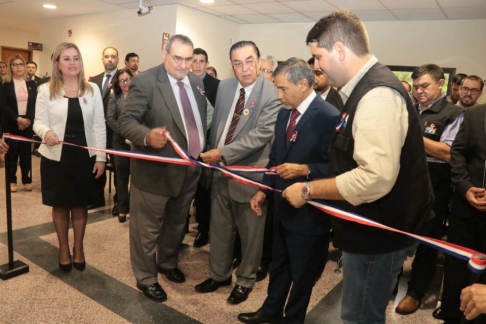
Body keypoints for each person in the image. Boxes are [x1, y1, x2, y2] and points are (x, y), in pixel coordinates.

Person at [282, 10, 434, 324]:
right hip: (368, 231)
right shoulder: (361, 91)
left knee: (360, 317)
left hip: (377, 237)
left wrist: (309, 190)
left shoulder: (377, 95)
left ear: (339, 49)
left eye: (319, 56)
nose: (316, 66)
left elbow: (373, 179)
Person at [238, 58, 339, 324]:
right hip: (281, 208)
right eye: (277, 88)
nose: (279, 95)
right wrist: (264, 190)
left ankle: (293, 318)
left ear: (304, 84)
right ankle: (270, 311)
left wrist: (305, 169)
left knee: (303, 273)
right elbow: (275, 159)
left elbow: (337, 169)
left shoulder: (329, 116)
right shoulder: (285, 111)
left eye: (283, 89)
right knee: (278, 265)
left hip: (310, 211)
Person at [118, 34, 206, 303]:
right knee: (147, 230)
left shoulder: (195, 81)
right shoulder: (145, 81)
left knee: (176, 224)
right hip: (155, 172)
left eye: (188, 59)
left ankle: (167, 262)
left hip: (189, 170)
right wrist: (146, 136)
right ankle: (145, 277)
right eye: (177, 57)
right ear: (163, 54)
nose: (182, 64)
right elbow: (125, 122)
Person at [196, 40, 280, 305]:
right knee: (220, 229)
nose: (244, 69)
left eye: (249, 61)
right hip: (219, 172)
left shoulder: (271, 92)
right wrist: (213, 154)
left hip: (250, 176)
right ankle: (219, 275)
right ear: (231, 65)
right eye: (237, 63)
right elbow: (219, 125)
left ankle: (245, 281)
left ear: (258, 60)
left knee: (250, 235)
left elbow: (261, 136)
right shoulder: (225, 86)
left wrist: (222, 153)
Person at [395, 64, 464, 316]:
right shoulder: (409, 109)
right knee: (397, 238)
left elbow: (448, 153)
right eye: (416, 86)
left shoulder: (452, 113)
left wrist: (410, 134)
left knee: (426, 243)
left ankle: (415, 292)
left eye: (425, 85)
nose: (419, 90)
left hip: (433, 190)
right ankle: (392, 282)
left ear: (440, 84)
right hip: (401, 187)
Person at [33, 42, 106, 273]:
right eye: (66, 59)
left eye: (76, 58)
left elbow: (99, 125)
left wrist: (101, 158)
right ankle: (63, 249)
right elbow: (39, 123)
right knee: (61, 204)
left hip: (84, 155)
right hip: (56, 156)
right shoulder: (46, 90)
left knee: (80, 203)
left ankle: (78, 248)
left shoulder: (92, 89)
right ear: (57, 63)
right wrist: (47, 133)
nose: (72, 63)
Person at [441, 103, 486, 323]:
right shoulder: (474, 114)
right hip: (465, 209)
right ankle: (451, 315)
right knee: (456, 267)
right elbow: (457, 153)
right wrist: (465, 187)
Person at [190, 47, 220, 248]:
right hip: (186, 145)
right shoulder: (185, 82)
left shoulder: (217, 86)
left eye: (202, 61)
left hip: (207, 144)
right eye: (195, 61)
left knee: (203, 189)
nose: (198, 64)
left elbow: (218, 116)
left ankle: (203, 228)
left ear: (206, 63)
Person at [0, 54, 37, 192]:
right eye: (15, 64)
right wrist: (18, 119)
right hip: (11, 122)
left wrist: (27, 120)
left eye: (21, 64)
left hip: (27, 123)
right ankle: (12, 180)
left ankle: (26, 179)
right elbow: (3, 105)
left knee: (26, 153)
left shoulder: (31, 83)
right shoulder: (5, 83)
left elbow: (34, 104)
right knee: (12, 153)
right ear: (11, 67)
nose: (18, 67)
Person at [89, 46, 119, 212]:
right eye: (107, 56)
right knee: (97, 162)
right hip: (97, 130)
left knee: (117, 168)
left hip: (115, 131)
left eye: (113, 57)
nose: (110, 59)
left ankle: (118, 201)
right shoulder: (95, 79)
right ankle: (97, 198)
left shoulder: (123, 78)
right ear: (102, 59)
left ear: (117, 59)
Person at [106, 68, 133, 223]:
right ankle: (123, 208)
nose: (125, 83)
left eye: (128, 79)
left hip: (136, 141)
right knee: (121, 176)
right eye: (122, 80)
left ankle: (135, 207)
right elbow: (110, 118)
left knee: (136, 176)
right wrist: (124, 132)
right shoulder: (114, 97)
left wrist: (134, 133)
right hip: (120, 141)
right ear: (117, 82)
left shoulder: (139, 96)